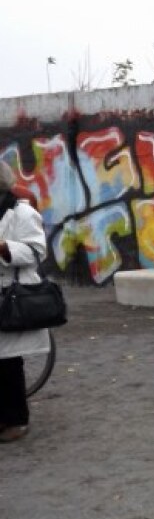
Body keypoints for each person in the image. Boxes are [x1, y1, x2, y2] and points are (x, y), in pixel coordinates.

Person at [0, 163, 50, 443]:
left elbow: (35, 251)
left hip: (10, 293)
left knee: (8, 362)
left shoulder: (23, 213)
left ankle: (17, 419)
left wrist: (6, 248)